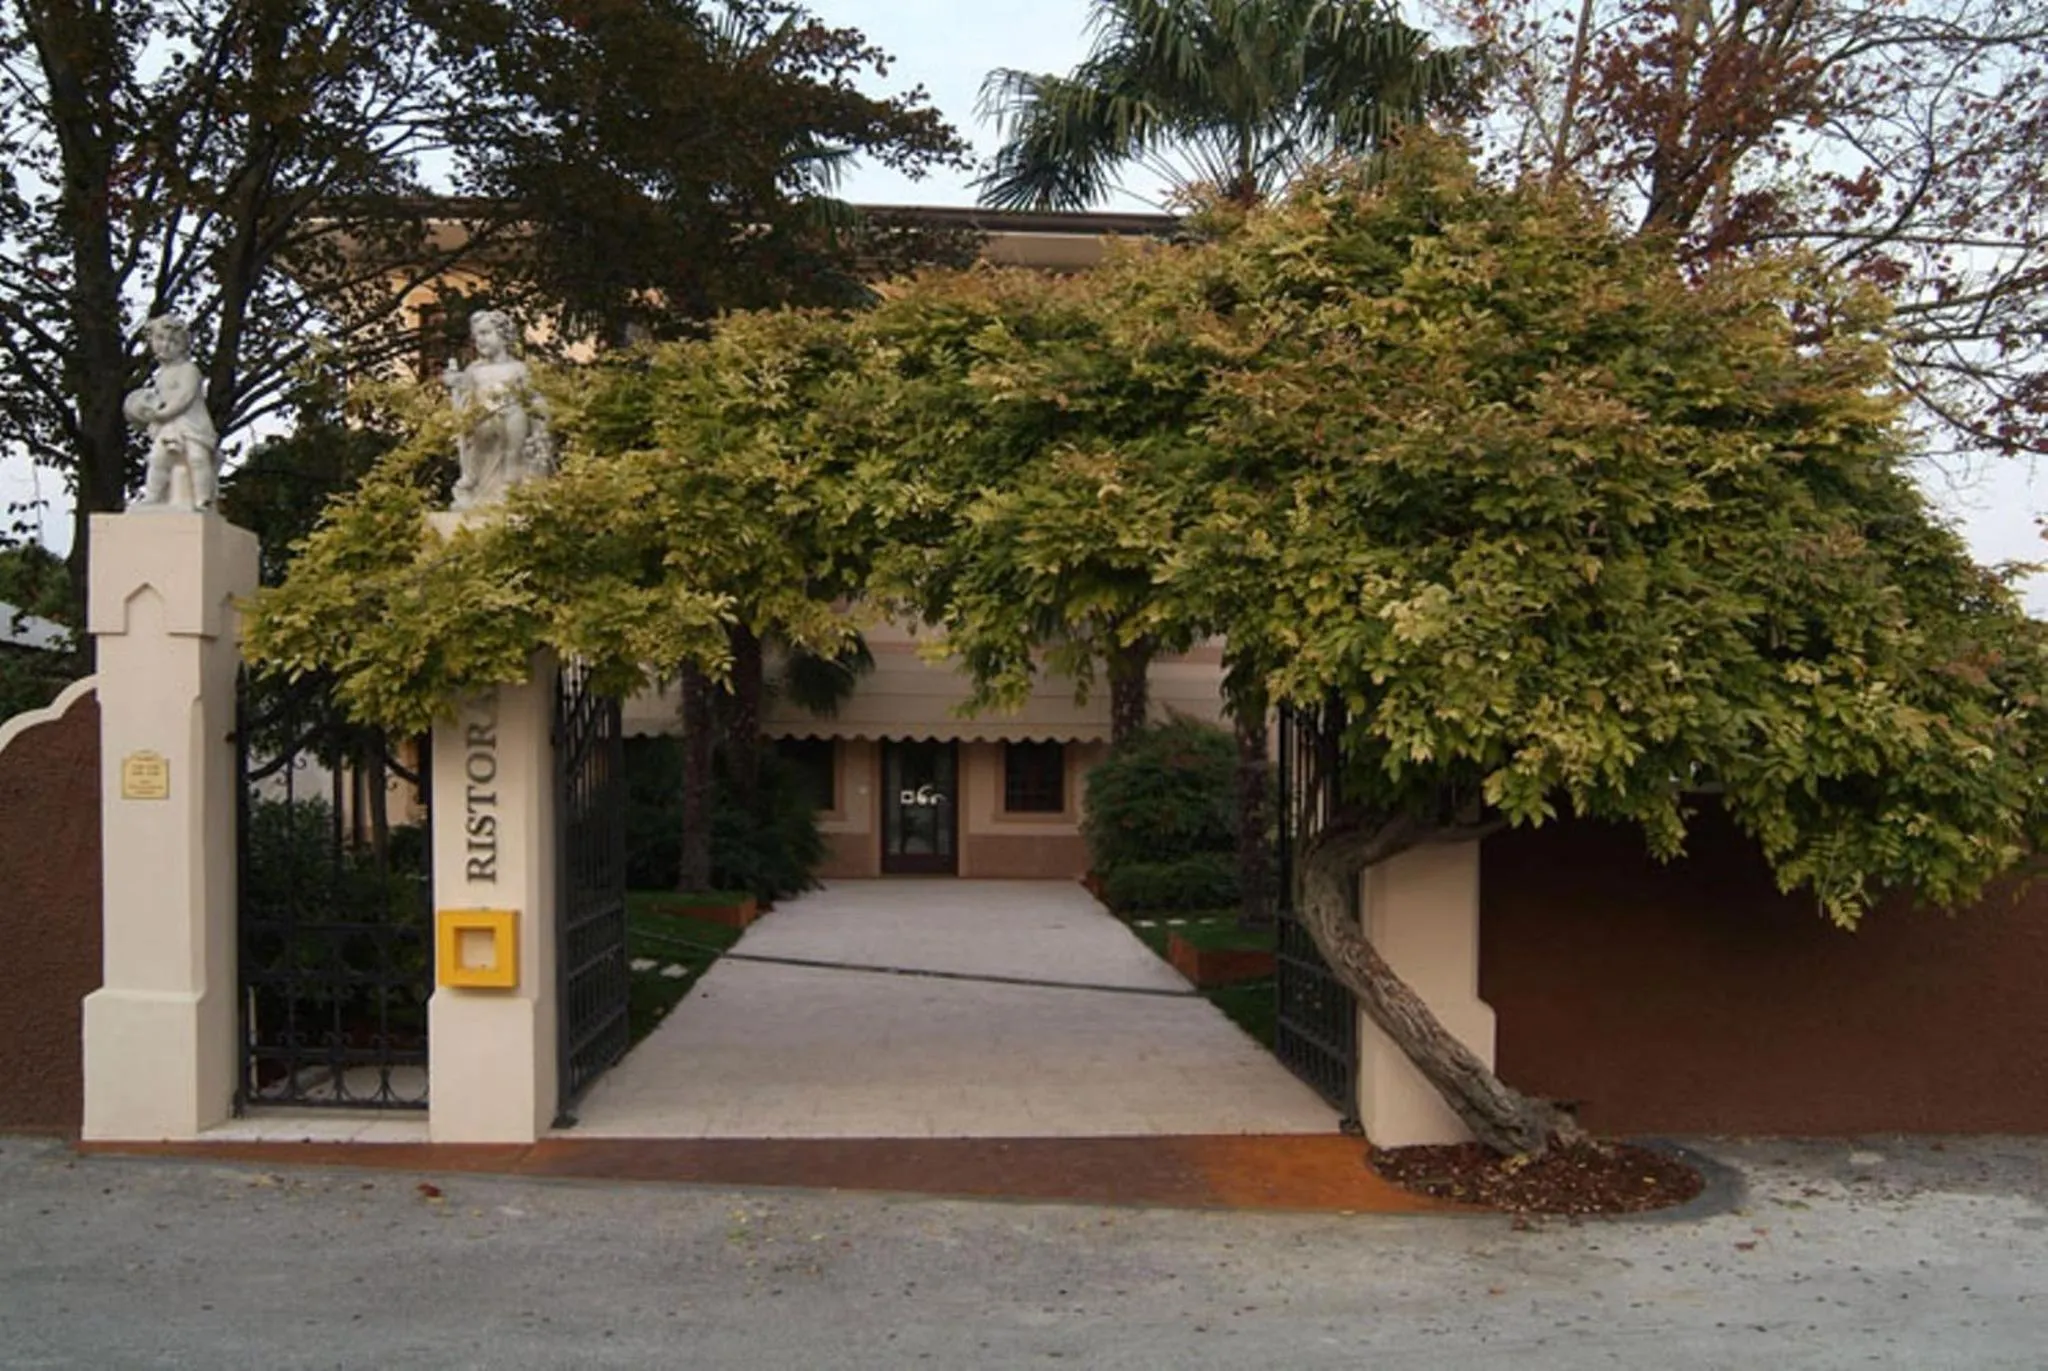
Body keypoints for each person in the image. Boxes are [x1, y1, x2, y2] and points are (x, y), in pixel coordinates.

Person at [447, 310, 550, 510]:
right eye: (476, 335)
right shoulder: (474, 370)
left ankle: (510, 486)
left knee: (515, 417)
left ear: (503, 336)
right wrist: (455, 382)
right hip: (482, 426)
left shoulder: (518, 368)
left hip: (512, 421)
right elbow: (465, 397)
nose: (480, 340)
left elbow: (533, 398)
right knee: (481, 428)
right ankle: (473, 483)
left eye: (485, 333)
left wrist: (540, 429)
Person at [124, 316, 219, 510]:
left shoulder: (189, 370)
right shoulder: (161, 376)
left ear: (183, 346)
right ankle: (153, 496)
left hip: (192, 424)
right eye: (160, 339)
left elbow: (184, 398)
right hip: (169, 426)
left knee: (197, 458)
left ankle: (203, 499)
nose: (165, 345)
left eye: (173, 341)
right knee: (158, 459)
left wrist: (163, 414)